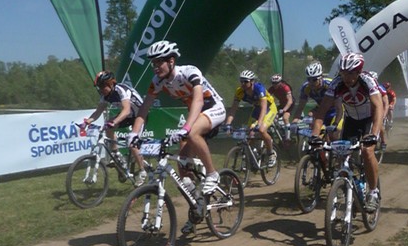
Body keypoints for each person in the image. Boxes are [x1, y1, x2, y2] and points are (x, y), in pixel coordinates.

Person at [129, 40, 226, 204]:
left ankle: (212, 173)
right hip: (196, 115)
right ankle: (198, 203)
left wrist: (186, 127)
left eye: (159, 62)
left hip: (213, 108)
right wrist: (134, 133)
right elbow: (144, 108)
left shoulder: (189, 72)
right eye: (153, 63)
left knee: (192, 133)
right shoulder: (157, 81)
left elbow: (198, 101)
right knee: (183, 163)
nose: (156, 67)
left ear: (171, 61)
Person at [311, 52, 383, 212]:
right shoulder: (336, 83)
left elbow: (379, 106)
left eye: (350, 73)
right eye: (343, 73)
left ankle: (373, 192)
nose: (346, 77)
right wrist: (314, 135)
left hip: (369, 119)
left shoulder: (367, 81)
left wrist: (373, 134)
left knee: (367, 151)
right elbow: (322, 111)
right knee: (342, 155)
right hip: (351, 120)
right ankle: (350, 187)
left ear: (358, 72)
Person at [83, 70, 147, 184]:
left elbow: (126, 110)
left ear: (111, 83)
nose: (101, 90)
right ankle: (116, 153)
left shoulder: (121, 90)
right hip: (129, 116)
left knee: (132, 143)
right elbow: (98, 112)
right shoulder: (105, 96)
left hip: (140, 115)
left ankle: (142, 171)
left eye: (102, 86)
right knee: (108, 128)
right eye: (99, 87)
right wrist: (87, 121)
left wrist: (114, 121)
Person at [224, 70, 278, 167]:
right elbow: (233, 109)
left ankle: (271, 153)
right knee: (249, 133)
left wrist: (259, 123)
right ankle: (252, 156)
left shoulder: (259, 89)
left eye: (246, 81)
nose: (243, 84)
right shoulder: (239, 91)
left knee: (261, 130)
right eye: (241, 81)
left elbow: (264, 107)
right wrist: (228, 124)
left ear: (252, 81)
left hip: (269, 108)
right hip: (257, 108)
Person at [291, 61, 341, 140]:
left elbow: (339, 107)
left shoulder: (330, 85)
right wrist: (294, 122)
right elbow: (300, 107)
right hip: (321, 111)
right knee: (316, 137)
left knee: (333, 135)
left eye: (314, 80)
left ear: (321, 77)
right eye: (309, 79)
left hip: (335, 111)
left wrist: (335, 124)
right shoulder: (306, 88)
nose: (311, 83)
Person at [268, 74, 294, 140]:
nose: (274, 85)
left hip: (289, 105)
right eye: (273, 83)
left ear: (280, 82)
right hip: (281, 104)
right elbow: (266, 98)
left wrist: (284, 110)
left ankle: (288, 138)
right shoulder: (272, 88)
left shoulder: (285, 87)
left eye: (276, 83)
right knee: (272, 118)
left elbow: (290, 101)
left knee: (285, 118)